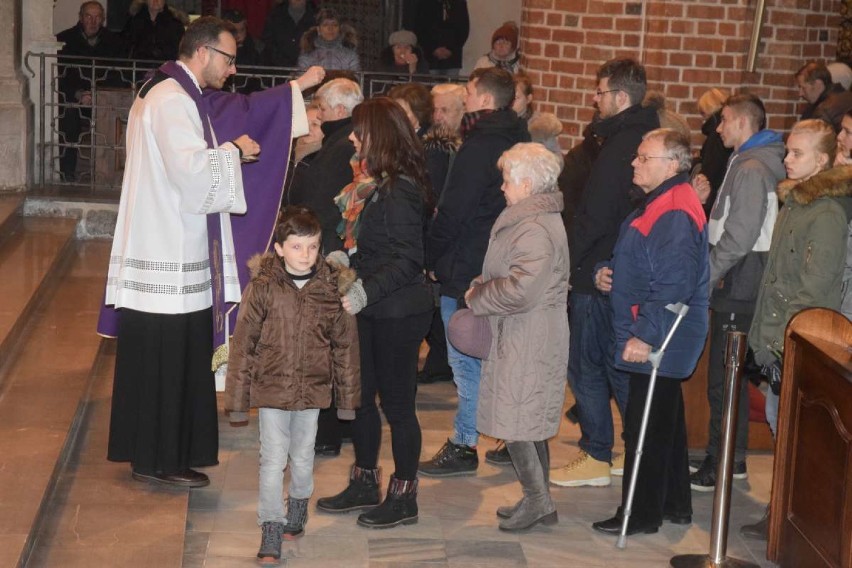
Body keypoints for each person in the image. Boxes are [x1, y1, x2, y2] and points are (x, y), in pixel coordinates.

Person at [104, 16, 324, 488]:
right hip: (169, 252)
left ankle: (153, 452)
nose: (232, 69)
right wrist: (233, 153)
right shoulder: (170, 100)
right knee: (168, 357)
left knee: (164, 357)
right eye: (228, 59)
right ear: (202, 53)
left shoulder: (169, 91)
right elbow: (190, 174)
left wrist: (225, 150)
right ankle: (161, 459)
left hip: (167, 240)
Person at [316, 98, 435, 529]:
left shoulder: (399, 187)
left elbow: (408, 259)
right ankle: (365, 482)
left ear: (378, 135)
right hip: (368, 305)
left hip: (399, 312)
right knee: (361, 400)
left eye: (358, 131)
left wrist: (364, 290)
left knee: (398, 407)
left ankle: (404, 496)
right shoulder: (369, 182)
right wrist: (342, 257)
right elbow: (369, 244)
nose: (351, 137)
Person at [225, 207, 360, 563]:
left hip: (312, 392)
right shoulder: (263, 287)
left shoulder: (330, 288)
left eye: (313, 247)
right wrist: (238, 401)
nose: (305, 255)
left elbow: (345, 347)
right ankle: (271, 524)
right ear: (280, 248)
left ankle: (298, 506)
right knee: (271, 460)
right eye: (297, 247)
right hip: (271, 389)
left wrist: (346, 398)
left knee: (302, 458)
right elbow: (243, 343)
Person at [592, 128, 709, 536]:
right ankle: (674, 504)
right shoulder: (661, 201)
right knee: (666, 421)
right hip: (656, 328)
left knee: (646, 427)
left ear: (672, 165)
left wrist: (646, 336)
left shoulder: (674, 208)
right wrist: (608, 273)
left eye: (644, 157)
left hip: (661, 334)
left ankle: (639, 514)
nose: (634, 162)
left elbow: (674, 284)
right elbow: (641, 258)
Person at [741, 119, 852, 541]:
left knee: (794, 432)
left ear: (822, 160)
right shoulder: (798, 202)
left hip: (796, 340)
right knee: (780, 425)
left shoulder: (824, 212)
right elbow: (775, 279)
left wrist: (782, 341)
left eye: (796, 153)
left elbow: (815, 291)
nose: (786, 160)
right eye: (787, 151)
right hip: (777, 335)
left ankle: (790, 513)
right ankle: (783, 509)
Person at [551, 58, 658, 488]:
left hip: (597, 271)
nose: (594, 100)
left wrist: (570, 260)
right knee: (611, 367)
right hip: (609, 267)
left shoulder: (621, 144)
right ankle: (629, 454)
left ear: (620, 97)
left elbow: (597, 213)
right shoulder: (632, 136)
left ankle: (598, 452)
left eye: (599, 93)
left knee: (586, 366)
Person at [420, 67, 530, 477]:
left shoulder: (479, 144)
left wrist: (432, 256)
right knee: (496, 358)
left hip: (467, 266)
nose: (465, 98)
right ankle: (509, 436)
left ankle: (465, 443)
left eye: (468, 91)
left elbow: (453, 210)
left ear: (484, 98)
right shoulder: (518, 137)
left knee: (466, 360)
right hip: (501, 263)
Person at [464, 142, 569, 531]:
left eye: (507, 180)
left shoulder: (535, 227)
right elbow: (507, 272)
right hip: (521, 331)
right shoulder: (528, 220)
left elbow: (522, 289)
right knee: (526, 418)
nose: (503, 187)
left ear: (526, 184)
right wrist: (482, 283)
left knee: (519, 421)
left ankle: (538, 501)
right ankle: (538, 499)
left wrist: (477, 296)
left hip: (529, 334)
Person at [689, 93, 785, 493]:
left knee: (723, 380)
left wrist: (707, 277)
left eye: (724, 120)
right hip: (738, 281)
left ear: (744, 123)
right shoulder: (748, 163)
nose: (718, 127)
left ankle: (722, 459)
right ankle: (733, 457)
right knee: (727, 378)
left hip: (739, 283)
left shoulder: (750, 167)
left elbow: (739, 237)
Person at [287, 77, 364, 455]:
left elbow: (310, 205)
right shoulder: (346, 141)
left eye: (317, 108)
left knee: (325, 349)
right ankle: (341, 428)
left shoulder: (337, 146)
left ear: (335, 110)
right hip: (343, 258)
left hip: (329, 259)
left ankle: (327, 433)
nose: (313, 116)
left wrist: (301, 159)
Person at [387, 82, 457, 385]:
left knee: (430, 306)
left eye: (401, 110)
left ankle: (440, 361)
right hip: (415, 231)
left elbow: (432, 197)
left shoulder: (431, 149)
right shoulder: (410, 143)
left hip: (424, 234)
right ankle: (437, 361)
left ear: (415, 115)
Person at [56, 1, 128, 182]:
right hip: (74, 97)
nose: (93, 21)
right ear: (81, 17)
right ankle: (67, 172)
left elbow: (118, 73)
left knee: (113, 115)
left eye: (97, 17)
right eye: (89, 16)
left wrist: (97, 93)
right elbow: (61, 75)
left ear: (103, 19)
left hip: (103, 97)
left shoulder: (115, 42)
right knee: (68, 116)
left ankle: (107, 175)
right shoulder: (64, 40)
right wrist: (79, 94)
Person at [692, 88, 733, 217]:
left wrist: (697, 162)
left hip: (712, 198)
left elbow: (709, 172)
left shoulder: (715, 137)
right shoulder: (725, 135)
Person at [415, 0, 469, 76]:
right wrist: (432, 49)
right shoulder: (424, 3)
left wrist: (451, 49)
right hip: (430, 58)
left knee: (451, 87)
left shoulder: (459, 3)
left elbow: (464, 29)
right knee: (430, 86)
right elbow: (419, 29)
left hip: (453, 58)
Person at [123, 0, 187, 62]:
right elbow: (126, 50)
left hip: (167, 70)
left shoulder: (175, 25)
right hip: (139, 69)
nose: (155, 0)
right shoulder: (134, 22)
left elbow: (182, 52)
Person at [796, 61, 852, 131]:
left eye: (803, 88)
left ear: (818, 84)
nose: (800, 93)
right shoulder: (847, 96)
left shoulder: (823, 111)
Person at [262, 0, 317, 68]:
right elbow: (268, 43)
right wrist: (285, 65)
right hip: (277, 70)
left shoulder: (317, 14)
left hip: (310, 69)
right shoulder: (275, 14)